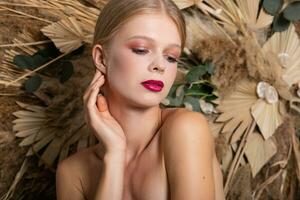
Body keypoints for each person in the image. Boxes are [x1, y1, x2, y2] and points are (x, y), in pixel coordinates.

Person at [56, 0, 225, 199]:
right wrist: (115, 156)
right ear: (102, 59)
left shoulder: (186, 128)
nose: (160, 65)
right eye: (141, 50)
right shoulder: (73, 173)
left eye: (171, 57)